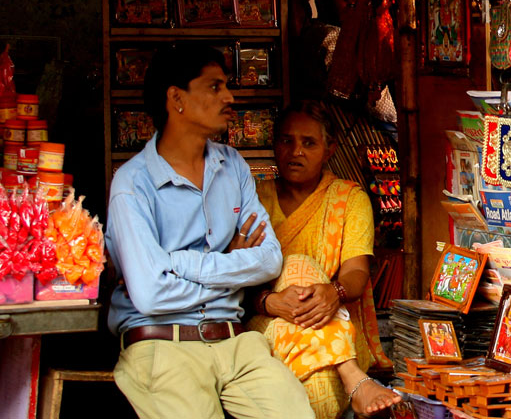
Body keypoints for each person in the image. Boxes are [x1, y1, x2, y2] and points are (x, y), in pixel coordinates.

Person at [104, 45, 314, 419]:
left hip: (236, 343)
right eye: (214, 87)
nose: (229, 97)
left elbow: (268, 260)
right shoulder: (133, 184)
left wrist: (178, 263)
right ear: (176, 98)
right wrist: (230, 266)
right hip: (162, 346)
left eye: (226, 86)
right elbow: (150, 295)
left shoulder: (232, 166)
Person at [247, 100, 400, 418]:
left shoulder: (349, 198)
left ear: (329, 150)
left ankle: (346, 374)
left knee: (312, 370)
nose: (295, 152)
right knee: (296, 266)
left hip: (332, 318)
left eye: (308, 143)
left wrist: (333, 293)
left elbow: (356, 273)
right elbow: (235, 281)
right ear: (275, 143)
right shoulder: (254, 198)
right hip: (267, 318)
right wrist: (272, 302)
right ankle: (354, 379)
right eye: (286, 141)